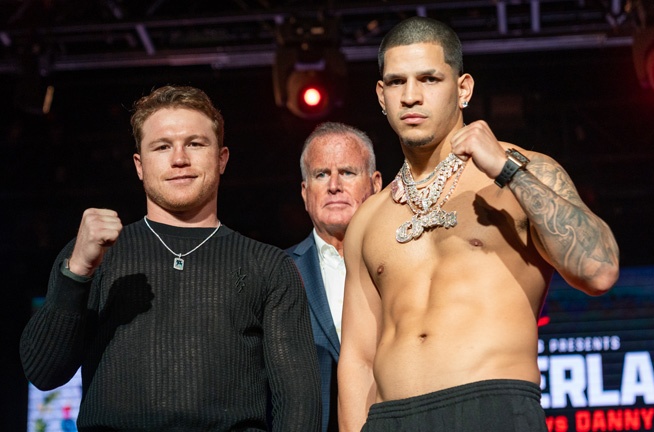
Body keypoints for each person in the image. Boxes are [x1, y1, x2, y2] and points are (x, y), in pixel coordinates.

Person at [337, 16, 620, 432]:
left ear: (463, 88)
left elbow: (599, 270)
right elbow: (358, 359)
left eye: (429, 79)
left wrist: (508, 172)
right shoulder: (369, 218)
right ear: (381, 95)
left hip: (493, 410)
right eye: (397, 82)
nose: (411, 96)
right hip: (391, 419)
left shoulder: (525, 169)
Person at [20, 85, 322, 431]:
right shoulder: (97, 255)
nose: (179, 159)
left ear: (221, 158)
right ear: (139, 164)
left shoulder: (268, 267)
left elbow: (299, 406)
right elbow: (43, 372)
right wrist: (76, 273)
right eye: (162, 146)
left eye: (195, 143)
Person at [287, 122, 382, 432]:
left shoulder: (406, 264)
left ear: (375, 184)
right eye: (321, 174)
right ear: (305, 192)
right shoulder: (278, 272)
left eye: (348, 172)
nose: (333, 186)